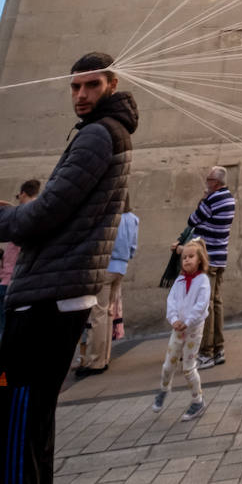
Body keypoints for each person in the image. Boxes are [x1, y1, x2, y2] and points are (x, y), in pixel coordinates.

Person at [0, 52, 138, 483]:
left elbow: (45, 214)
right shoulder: (104, 133)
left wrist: (5, 219)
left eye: (91, 86)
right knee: (32, 421)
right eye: (75, 87)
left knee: (18, 421)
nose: (80, 95)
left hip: (49, 298)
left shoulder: (98, 135)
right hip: (58, 293)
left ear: (112, 85)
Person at [77, 193, 139, 375]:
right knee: (108, 313)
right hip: (121, 267)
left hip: (105, 267)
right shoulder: (132, 219)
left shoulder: (110, 218)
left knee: (98, 314)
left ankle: (95, 361)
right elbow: (133, 247)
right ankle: (104, 357)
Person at [151, 240, 210, 422]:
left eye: (191, 257)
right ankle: (163, 389)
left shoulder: (203, 281)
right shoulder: (179, 280)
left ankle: (197, 401)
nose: (187, 260)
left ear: (200, 260)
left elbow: (201, 305)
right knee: (168, 364)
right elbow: (172, 301)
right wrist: (174, 319)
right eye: (184, 257)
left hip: (193, 330)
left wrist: (188, 321)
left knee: (188, 368)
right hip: (178, 329)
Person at [184, 165, 236, 369]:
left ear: (216, 182)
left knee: (205, 306)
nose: (206, 183)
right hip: (220, 257)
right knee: (216, 303)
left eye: (208, 179)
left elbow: (192, 220)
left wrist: (204, 197)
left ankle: (206, 352)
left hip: (208, 258)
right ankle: (219, 348)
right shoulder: (229, 198)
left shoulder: (213, 198)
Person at [0, 180, 41, 339]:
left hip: (10, 280)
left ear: (23, 193)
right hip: (26, 281)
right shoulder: (38, 215)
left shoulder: (20, 219)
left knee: (5, 326)